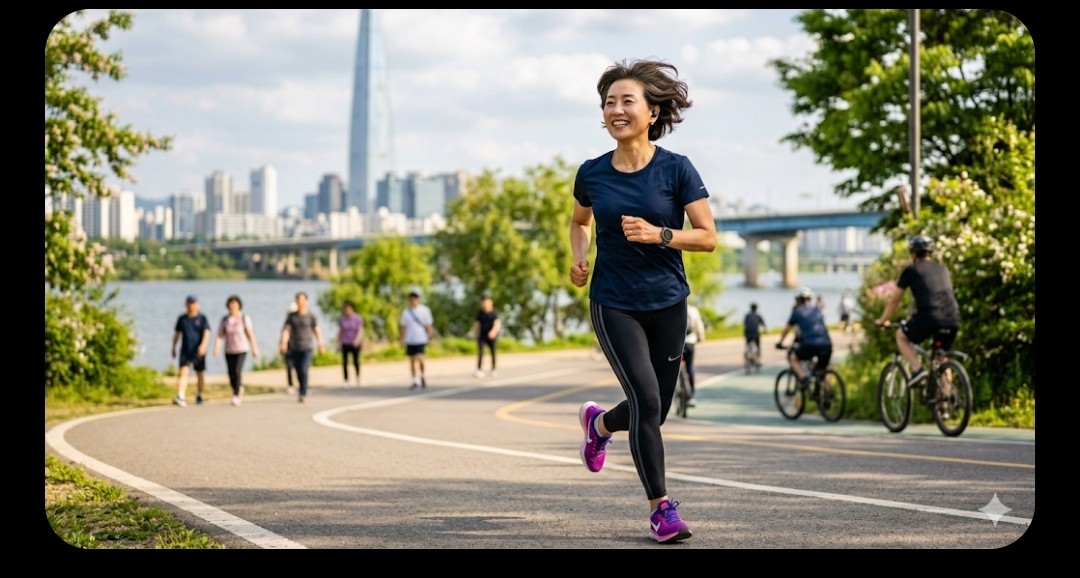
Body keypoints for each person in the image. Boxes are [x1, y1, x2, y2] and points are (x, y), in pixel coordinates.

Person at [569, 58, 716, 544]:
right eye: (609, 102)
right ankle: (661, 509)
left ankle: (601, 423)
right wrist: (579, 257)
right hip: (614, 302)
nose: (616, 109)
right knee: (647, 399)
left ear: (652, 112)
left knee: (657, 410)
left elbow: (708, 237)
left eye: (626, 101)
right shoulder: (592, 173)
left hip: (668, 301)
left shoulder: (677, 169)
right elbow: (579, 221)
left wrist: (661, 234)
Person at [874, 234, 960, 390]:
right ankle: (945, 403)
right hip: (952, 317)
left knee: (901, 336)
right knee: (942, 358)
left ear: (913, 254)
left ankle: (918, 370)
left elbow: (894, 300)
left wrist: (882, 320)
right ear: (930, 253)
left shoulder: (911, 270)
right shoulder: (943, 269)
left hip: (929, 317)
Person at [776, 287, 833, 390]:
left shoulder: (797, 312)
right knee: (821, 372)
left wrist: (780, 342)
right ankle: (828, 393)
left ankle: (804, 379)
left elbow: (787, 329)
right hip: (827, 344)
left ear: (798, 300)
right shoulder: (817, 309)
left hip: (810, 344)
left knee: (793, 358)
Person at [212, 295, 259, 406]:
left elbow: (250, 334)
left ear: (239, 306)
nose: (233, 306)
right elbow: (220, 335)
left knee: (237, 371)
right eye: (231, 304)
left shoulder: (244, 318)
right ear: (228, 306)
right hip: (229, 349)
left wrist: (254, 348)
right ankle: (237, 388)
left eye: (235, 304)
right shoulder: (225, 320)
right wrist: (216, 348)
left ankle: (236, 394)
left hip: (242, 349)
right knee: (231, 373)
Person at [279, 291, 326, 403]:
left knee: (304, 368)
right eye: (298, 300)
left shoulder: (311, 316)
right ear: (296, 302)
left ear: (306, 301)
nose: (300, 302)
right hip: (294, 347)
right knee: (298, 370)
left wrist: (321, 344)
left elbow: (317, 330)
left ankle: (303, 391)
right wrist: (284, 343)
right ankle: (303, 387)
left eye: (302, 300)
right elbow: (287, 330)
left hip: (307, 346)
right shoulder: (291, 316)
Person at [171, 294, 211, 407]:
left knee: (199, 373)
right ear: (186, 304)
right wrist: (173, 347)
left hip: (198, 350)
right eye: (189, 303)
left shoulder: (202, 318)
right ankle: (181, 395)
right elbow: (177, 334)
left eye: (194, 303)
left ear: (198, 304)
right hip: (185, 350)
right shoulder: (182, 319)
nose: (191, 305)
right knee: (183, 372)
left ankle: (200, 394)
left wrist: (203, 346)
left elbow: (207, 333)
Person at [399, 290, 434, 390]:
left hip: (421, 338)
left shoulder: (424, 310)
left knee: (420, 359)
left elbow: (429, 325)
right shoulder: (406, 312)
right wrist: (402, 338)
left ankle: (423, 375)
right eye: (411, 299)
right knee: (412, 361)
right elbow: (403, 326)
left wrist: (430, 337)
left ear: (418, 300)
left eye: (414, 299)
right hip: (410, 339)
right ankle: (415, 380)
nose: (413, 301)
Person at [472, 293, 502, 378]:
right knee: (481, 352)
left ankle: (493, 368)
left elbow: (497, 323)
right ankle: (479, 369)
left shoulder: (494, 313)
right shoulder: (480, 313)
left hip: (491, 335)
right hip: (482, 335)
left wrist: (493, 332)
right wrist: (475, 333)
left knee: (493, 352)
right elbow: (477, 324)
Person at [682, 301, 706, 407]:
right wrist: (700, 338)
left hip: (677, 343)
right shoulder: (693, 310)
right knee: (689, 366)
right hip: (690, 342)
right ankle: (691, 396)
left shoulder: (672, 308)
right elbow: (699, 325)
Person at [338, 301, 364, 387]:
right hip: (345, 342)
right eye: (345, 309)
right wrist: (338, 342)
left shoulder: (357, 318)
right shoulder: (342, 319)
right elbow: (340, 331)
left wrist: (357, 340)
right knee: (344, 362)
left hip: (354, 343)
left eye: (348, 309)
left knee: (355, 361)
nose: (347, 311)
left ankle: (357, 378)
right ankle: (346, 380)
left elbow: (360, 330)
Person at [284, 302, 298, 394]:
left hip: (299, 347)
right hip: (289, 347)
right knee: (289, 366)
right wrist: (282, 344)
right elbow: (284, 334)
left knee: (300, 368)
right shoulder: (287, 322)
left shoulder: (301, 321)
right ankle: (290, 385)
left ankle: (303, 385)